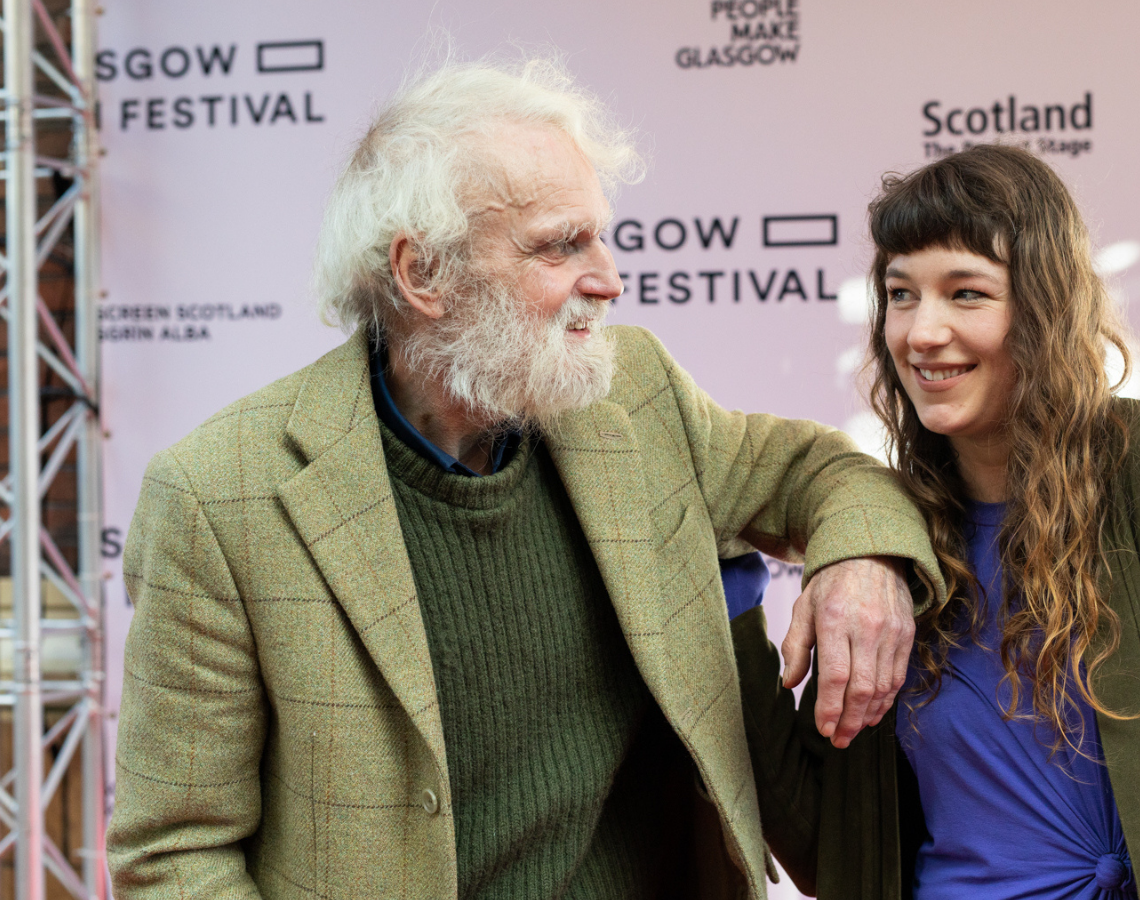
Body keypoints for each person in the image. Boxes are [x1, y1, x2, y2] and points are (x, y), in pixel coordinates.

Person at [106, 58, 943, 899]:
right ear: (422, 274)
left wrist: (860, 563)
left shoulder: (634, 393)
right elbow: (177, 854)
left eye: (601, 235)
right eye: (560, 244)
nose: (609, 279)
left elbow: (821, 473)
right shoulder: (219, 495)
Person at [735, 143, 1140, 900]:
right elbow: (836, 851)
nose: (921, 332)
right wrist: (728, 599)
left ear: (1045, 307)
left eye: (966, 293)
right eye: (900, 294)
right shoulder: (886, 534)